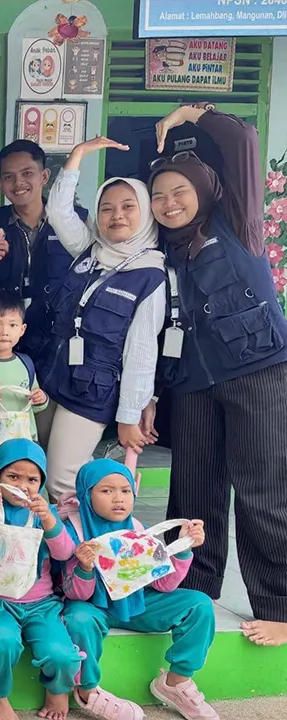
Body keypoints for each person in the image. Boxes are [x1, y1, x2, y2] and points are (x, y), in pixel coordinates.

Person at [148, 103, 287, 646]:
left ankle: (278, 604)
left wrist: (193, 115)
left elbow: (241, 143)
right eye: (159, 195)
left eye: (179, 191)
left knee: (262, 490)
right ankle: (195, 588)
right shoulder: (161, 249)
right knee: (194, 491)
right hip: (190, 383)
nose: (168, 203)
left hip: (258, 371)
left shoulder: (238, 225)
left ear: (206, 190)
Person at [43, 137, 166, 500]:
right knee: (30, 466)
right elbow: (60, 213)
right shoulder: (90, 251)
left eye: (129, 207)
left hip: (90, 392)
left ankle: (71, 552)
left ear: (145, 213)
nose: (117, 216)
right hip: (51, 376)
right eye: (107, 208)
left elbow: (142, 353)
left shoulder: (151, 275)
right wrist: (77, 157)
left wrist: (129, 415)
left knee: (62, 483)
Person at [61, 459, 217, 720]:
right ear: (86, 495)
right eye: (106, 491)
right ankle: (88, 691)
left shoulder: (137, 530)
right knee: (77, 618)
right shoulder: (73, 531)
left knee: (199, 604)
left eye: (125, 490)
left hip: (135, 605)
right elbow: (76, 595)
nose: (118, 499)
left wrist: (183, 547)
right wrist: (85, 567)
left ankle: (176, 683)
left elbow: (163, 584)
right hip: (94, 607)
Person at [0, 440, 81, 720]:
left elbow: (66, 552)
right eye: (13, 476)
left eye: (32, 479)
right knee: (1, 641)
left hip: (42, 604)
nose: (23, 485)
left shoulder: (46, 514)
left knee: (62, 655)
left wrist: (49, 521)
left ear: (41, 483)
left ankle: (58, 690)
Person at [0, 140, 87, 384]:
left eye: (27, 173)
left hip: (57, 337)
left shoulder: (75, 220)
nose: (18, 183)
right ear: (0, 184)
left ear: (44, 176)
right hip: (3, 338)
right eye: (9, 177)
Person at [0, 290, 48, 477]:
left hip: (22, 441)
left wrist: (41, 399)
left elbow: (37, 406)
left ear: (22, 329)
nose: (4, 332)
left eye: (12, 325)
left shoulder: (26, 363)